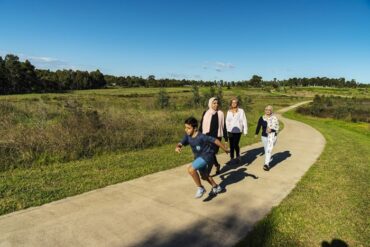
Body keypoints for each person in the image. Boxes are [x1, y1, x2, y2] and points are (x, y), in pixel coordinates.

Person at [176, 117, 229, 198]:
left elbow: (215, 140)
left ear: (195, 128)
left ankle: (200, 188)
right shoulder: (188, 136)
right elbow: (181, 142)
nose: (186, 130)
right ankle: (216, 187)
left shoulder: (202, 136)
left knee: (191, 169)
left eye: (189, 128)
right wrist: (178, 146)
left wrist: (225, 149)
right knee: (204, 176)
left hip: (208, 156)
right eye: (185, 127)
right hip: (198, 157)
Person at [199, 97, 228, 175]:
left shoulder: (221, 113)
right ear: (210, 103)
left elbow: (223, 126)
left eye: (217, 103)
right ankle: (216, 165)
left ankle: (209, 170)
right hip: (207, 136)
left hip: (216, 138)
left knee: (211, 153)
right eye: (214, 103)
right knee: (209, 153)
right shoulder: (206, 113)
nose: (216, 105)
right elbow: (201, 125)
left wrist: (226, 139)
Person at [255, 105, 279, 171]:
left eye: (269, 110)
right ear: (264, 110)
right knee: (266, 149)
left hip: (272, 136)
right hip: (264, 136)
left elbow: (277, 128)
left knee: (269, 149)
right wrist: (256, 133)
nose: (267, 111)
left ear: (271, 111)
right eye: (266, 110)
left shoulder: (274, 118)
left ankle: (266, 164)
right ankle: (268, 160)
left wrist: (271, 130)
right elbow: (259, 126)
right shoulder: (262, 118)